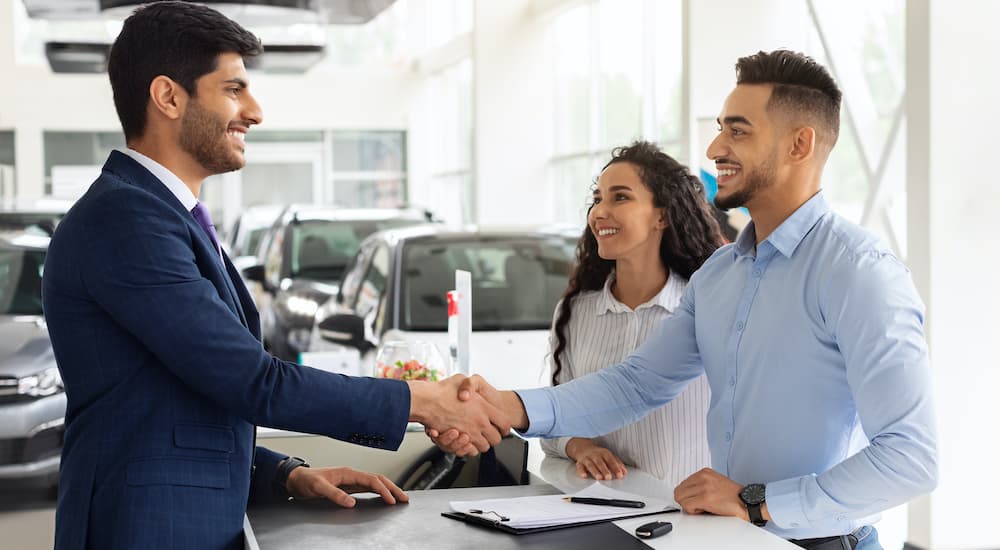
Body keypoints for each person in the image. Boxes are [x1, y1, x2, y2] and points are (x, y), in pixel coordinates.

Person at [41, 3, 507, 549]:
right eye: (234, 89)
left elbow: (170, 405)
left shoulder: (160, 214)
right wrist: (421, 400)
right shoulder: (127, 219)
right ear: (168, 96)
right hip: (146, 529)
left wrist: (284, 473)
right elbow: (248, 379)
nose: (254, 111)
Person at [434, 50, 937, 550]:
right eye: (720, 128)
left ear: (799, 144)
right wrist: (508, 406)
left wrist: (760, 503)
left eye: (738, 131)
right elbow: (636, 384)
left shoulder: (859, 272)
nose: (715, 146)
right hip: (732, 537)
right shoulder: (719, 275)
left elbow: (911, 456)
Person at [539, 141, 720, 484]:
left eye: (619, 197)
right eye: (597, 200)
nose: (599, 212)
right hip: (603, 513)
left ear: (663, 216)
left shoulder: (710, 307)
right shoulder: (576, 312)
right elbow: (554, 421)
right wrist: (581, 447)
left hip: (694, 521)